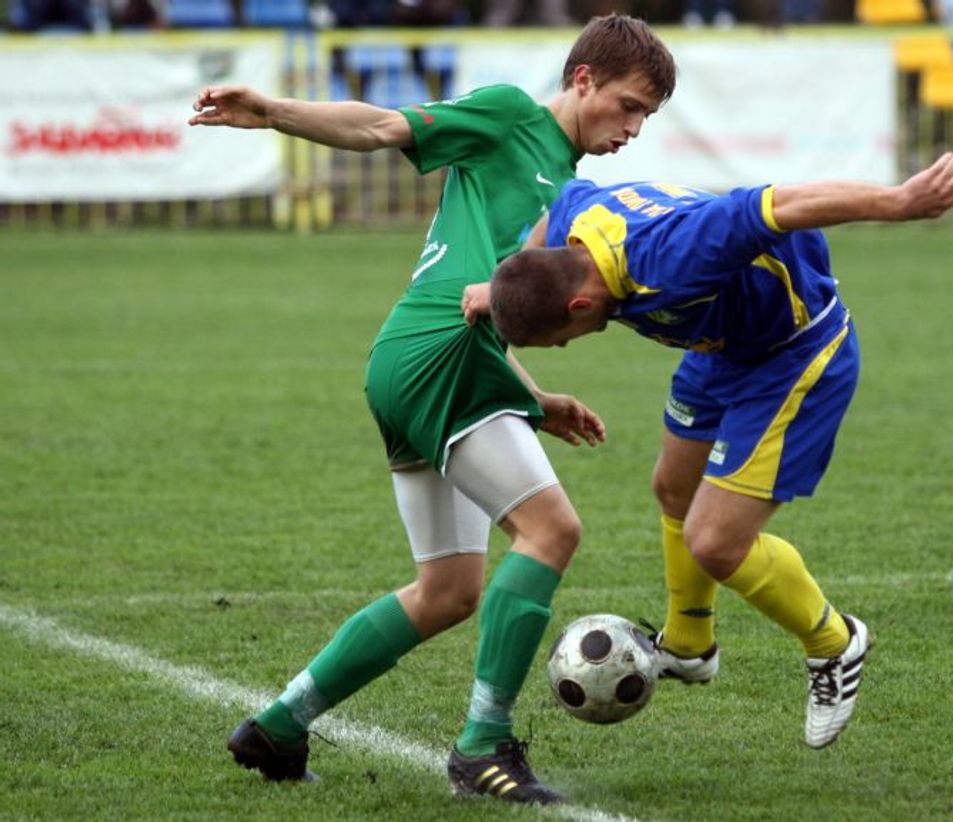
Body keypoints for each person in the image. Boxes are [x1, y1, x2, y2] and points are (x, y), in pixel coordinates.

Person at [187, 14, 676, 804]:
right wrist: (273, 110)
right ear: (582, 80)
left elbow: (496, 303)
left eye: (646, 118)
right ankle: (482, 749)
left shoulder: (569, 186)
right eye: (627, 106)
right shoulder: (513, 115)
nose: (633, 129)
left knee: (449, 590)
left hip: (416, 356)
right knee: (552, 531)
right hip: (438, 351)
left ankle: (277, 728)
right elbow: (382, 125)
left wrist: (535, 397)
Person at [467, 149, 953, 748]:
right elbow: (548, 224)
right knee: (673, 487)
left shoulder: (674, 252)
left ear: (580, 306)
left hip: (792, 350)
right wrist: (502, 283)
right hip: (721, 347)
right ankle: (688, 645)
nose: (569, 345)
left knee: (714, 541)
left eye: (563, 341)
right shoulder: (575, 230)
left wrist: (899, 202)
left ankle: (835, 642)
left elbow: (783, 204)